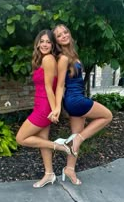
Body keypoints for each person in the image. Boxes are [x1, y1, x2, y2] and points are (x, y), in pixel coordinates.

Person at [52, 24, 113, 185]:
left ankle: (69, 169)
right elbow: (59, 85)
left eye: (65, 32)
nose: (64, 35)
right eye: (59, 35)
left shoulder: (71, 54)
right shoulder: (64, 58)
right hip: (75, 99)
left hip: (75, 99)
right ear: (56, 41)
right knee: (107, 115)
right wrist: (58, 107)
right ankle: (79, 138)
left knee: (75, 136)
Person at [15, 29, 71, 188]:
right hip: (41, 104)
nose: (45, 44)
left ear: (53, 45)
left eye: (48, 42)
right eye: (42, 41)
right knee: (42, 141)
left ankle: (59, 146)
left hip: (44, 106)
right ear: (37, 43)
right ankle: (49, 174)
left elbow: (49, 87)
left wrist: (54, 109)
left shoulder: (48, 59)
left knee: (20, 138)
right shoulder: (44, 60)